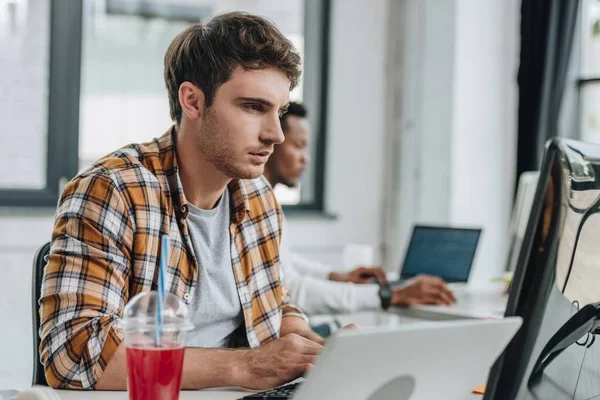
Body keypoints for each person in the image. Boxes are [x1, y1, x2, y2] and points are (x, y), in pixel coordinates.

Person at [39, 13, 324, 391]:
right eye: (254, 107)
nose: (275, 134)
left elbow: (273, 306)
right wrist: (248, 367)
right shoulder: (113, 191)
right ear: (192, 100)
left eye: (279, 111)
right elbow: (75, 354)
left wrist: (319, 350)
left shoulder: (260, 201)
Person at [263, 102, 456, 315]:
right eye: (299, 145)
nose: (305, 158)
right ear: (272, 140)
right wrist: (390, 295)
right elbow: (291, 289)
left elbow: (286, 262)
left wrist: (338, 276)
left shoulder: (267, 202)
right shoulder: (256, 206)